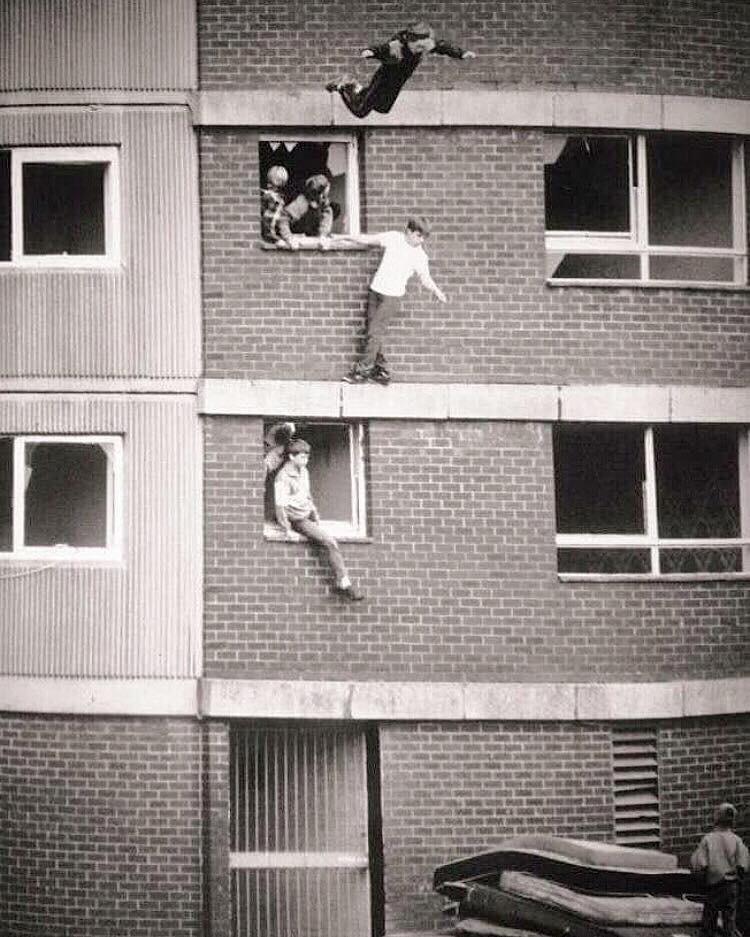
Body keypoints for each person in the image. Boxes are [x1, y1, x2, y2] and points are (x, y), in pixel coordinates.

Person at [335, 215, 447, 384]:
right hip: (376, 292)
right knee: (374, 333)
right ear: (408, 231)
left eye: (424, 237)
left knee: (374, 332)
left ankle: (362, 372)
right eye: (418, 235)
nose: (421, 240)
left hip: (392, 298)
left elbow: (425, 278)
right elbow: (367, 240)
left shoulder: (420, 256)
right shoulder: (393, 238)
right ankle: (381, 370)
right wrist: (344, 236)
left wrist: (436, 291)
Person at [274, 438, 364, 601]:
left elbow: (307, 495)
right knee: (330, 542)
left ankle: (342, 581)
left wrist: (315, 514)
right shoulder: (283, 477)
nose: (305, 460)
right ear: (291, 457)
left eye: (307, 457)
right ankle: (343, 582)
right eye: (302, 457)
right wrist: (287, 530)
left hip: (307, 515)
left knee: (328, 537)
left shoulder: (304, 472)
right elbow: (280, 506)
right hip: (298, 519)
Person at [325, 22, 476, 118]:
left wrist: (461, 53)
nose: (419, 50)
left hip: (397, 82)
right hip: (384, 80)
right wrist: (370, 51)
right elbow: (382, 48)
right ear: (409, 42)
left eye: (423, 48)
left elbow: (443, 46)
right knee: (361, 112)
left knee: (383, 109)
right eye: (418, 47)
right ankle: (343, 86)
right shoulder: (396, 46)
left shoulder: (426, 44)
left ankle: (355, 87)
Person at [691, 802, 749, 937]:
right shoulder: (737, 840)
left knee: (709, 922)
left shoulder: (708, 840)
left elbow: (699, 864)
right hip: (731, 886)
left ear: (716, 819)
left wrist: (702, 881)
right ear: (733, 821)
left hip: (714, 886)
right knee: (730, 922)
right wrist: (738, 882)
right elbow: (743, 864)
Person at [277, 174, 334, 250]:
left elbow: (326, 218)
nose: (325, 196)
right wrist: (289, 238)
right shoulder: (301, 203)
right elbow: (283, 218)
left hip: (312, 240)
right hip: (296, 239)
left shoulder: (324, 204)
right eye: (325, 192)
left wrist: (323, 236)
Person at [260, 165, 289, 244]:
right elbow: (268, 223)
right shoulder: (272, 199)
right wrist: (276, 240)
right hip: (269, 240)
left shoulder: (268, 196)